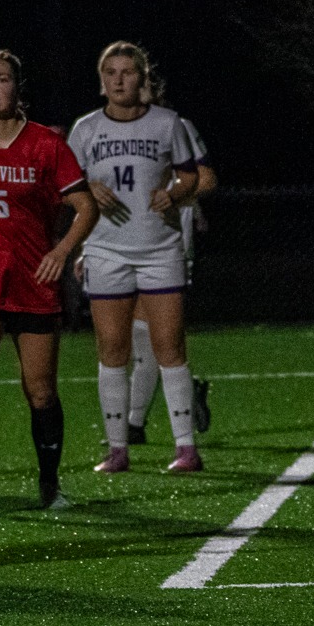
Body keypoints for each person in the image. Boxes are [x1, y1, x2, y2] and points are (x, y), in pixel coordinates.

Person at [0, 50, 99, 516]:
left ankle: (50, 486)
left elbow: (86, 207)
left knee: (41, 390)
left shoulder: (46, 144)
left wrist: (60, 251)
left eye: (2, 80)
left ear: (18, 87)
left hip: (32, 278)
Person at [68, 43, 205, 474]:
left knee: (168, 344)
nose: (120, 79)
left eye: (128, 72)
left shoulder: (168, 124)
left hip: (159, 248)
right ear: (101, 79)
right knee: (113, 348)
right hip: (106, 248)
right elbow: (66, 185)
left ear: (141, 78)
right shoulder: (86, 129)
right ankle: (118, 448)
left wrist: (175, 193)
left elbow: (193, 174)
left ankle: (185, 448)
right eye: (111, 72)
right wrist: (88, 187)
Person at [125, 115, 215, 443]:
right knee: (143, 333)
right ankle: (170, 401)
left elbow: (206, 179)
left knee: (152, 327)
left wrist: (172, 196)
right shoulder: (114, 132)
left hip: (168, 241)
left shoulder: (176, 127)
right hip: (129, 238)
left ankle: (135, 424)